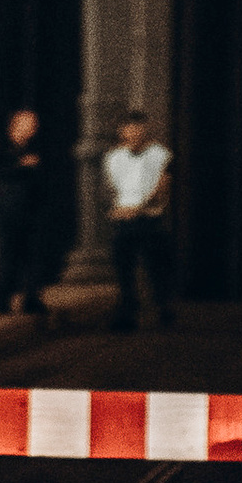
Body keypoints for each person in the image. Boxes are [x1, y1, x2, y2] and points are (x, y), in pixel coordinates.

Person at [103, 106, 175, 328]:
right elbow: (110, 189)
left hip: (149, 220)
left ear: (145, 130)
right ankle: (127, 311)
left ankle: (162, 308)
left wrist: (140, 207)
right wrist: (115, 208)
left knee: (155, 267)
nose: (133, 133)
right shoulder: (114, 157)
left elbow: (163, 188)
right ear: (122, 131)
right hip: (123, 220)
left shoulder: (160, 155)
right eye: (128, 129)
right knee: (124, 268)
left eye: (137, 128)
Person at [0, 105, 50, 317]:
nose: (32, 128)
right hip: (7, 210)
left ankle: (31, 298)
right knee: (6, 254)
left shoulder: (33, 149)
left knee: (32, 255)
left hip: (31, 210)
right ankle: (2, 298)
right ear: (16, 124)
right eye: (28, 123)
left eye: (34, 124)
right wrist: (22, 165)